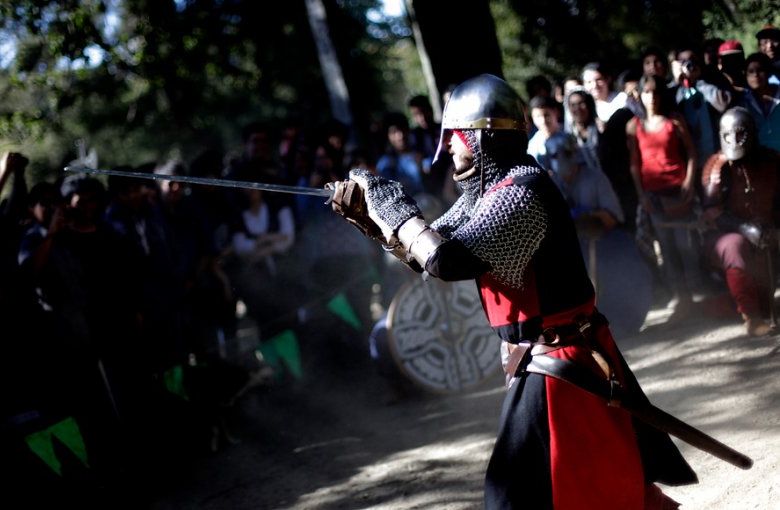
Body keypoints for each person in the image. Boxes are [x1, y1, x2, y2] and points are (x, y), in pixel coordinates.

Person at [329, 74, 696, 509]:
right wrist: (373, 220)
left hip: (562, 365)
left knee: (521, 495)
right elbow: (425, 256)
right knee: (595, 485)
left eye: (455, 136)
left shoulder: (523, 192)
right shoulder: (486, 196)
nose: (447, 146)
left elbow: (447, 262)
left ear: (483, 138)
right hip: (545, 364)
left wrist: (392, 206)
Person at [626, 74, 702, 321]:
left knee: (686, 246)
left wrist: (690, 183)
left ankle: (696, 296)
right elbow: (635, 165)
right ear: (639, 95)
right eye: (647, 92)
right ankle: (682, 298)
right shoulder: (633, 126)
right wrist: (641, 195)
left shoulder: (675, 121)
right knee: (667, 250)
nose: (652, 97)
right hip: (654, 197)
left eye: (656, 92)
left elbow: (692, 154)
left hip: (679, 192)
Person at [701, 108, 778, 337]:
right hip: (727, 235)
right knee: (735, 245)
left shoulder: (773, 160)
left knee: (768, 301)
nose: (734, 141)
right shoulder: (716, 166)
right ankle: (751, 317)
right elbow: (711, 212)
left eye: (740, 134)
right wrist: (744, 228)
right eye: (728, 135)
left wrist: (770, 226)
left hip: (768, 230)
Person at [741, 52, 780, 153]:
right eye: (751, 71)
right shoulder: (744, 103)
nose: (756, 75)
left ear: (769, 72)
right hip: (759, 160)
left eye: (760, 70)